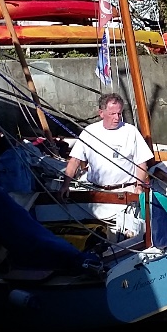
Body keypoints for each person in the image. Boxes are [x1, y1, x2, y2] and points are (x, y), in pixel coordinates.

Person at [62, 93, 153, 237]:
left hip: (125, 193)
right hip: (96, 194)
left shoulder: (130, 131)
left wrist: (139, 186)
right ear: (101, 113)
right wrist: (65, 185)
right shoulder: (89, 132)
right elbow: (75, 160)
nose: (117, 118)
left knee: (129, 236)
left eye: (119, 113)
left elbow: (141, 162)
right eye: (112, 114)